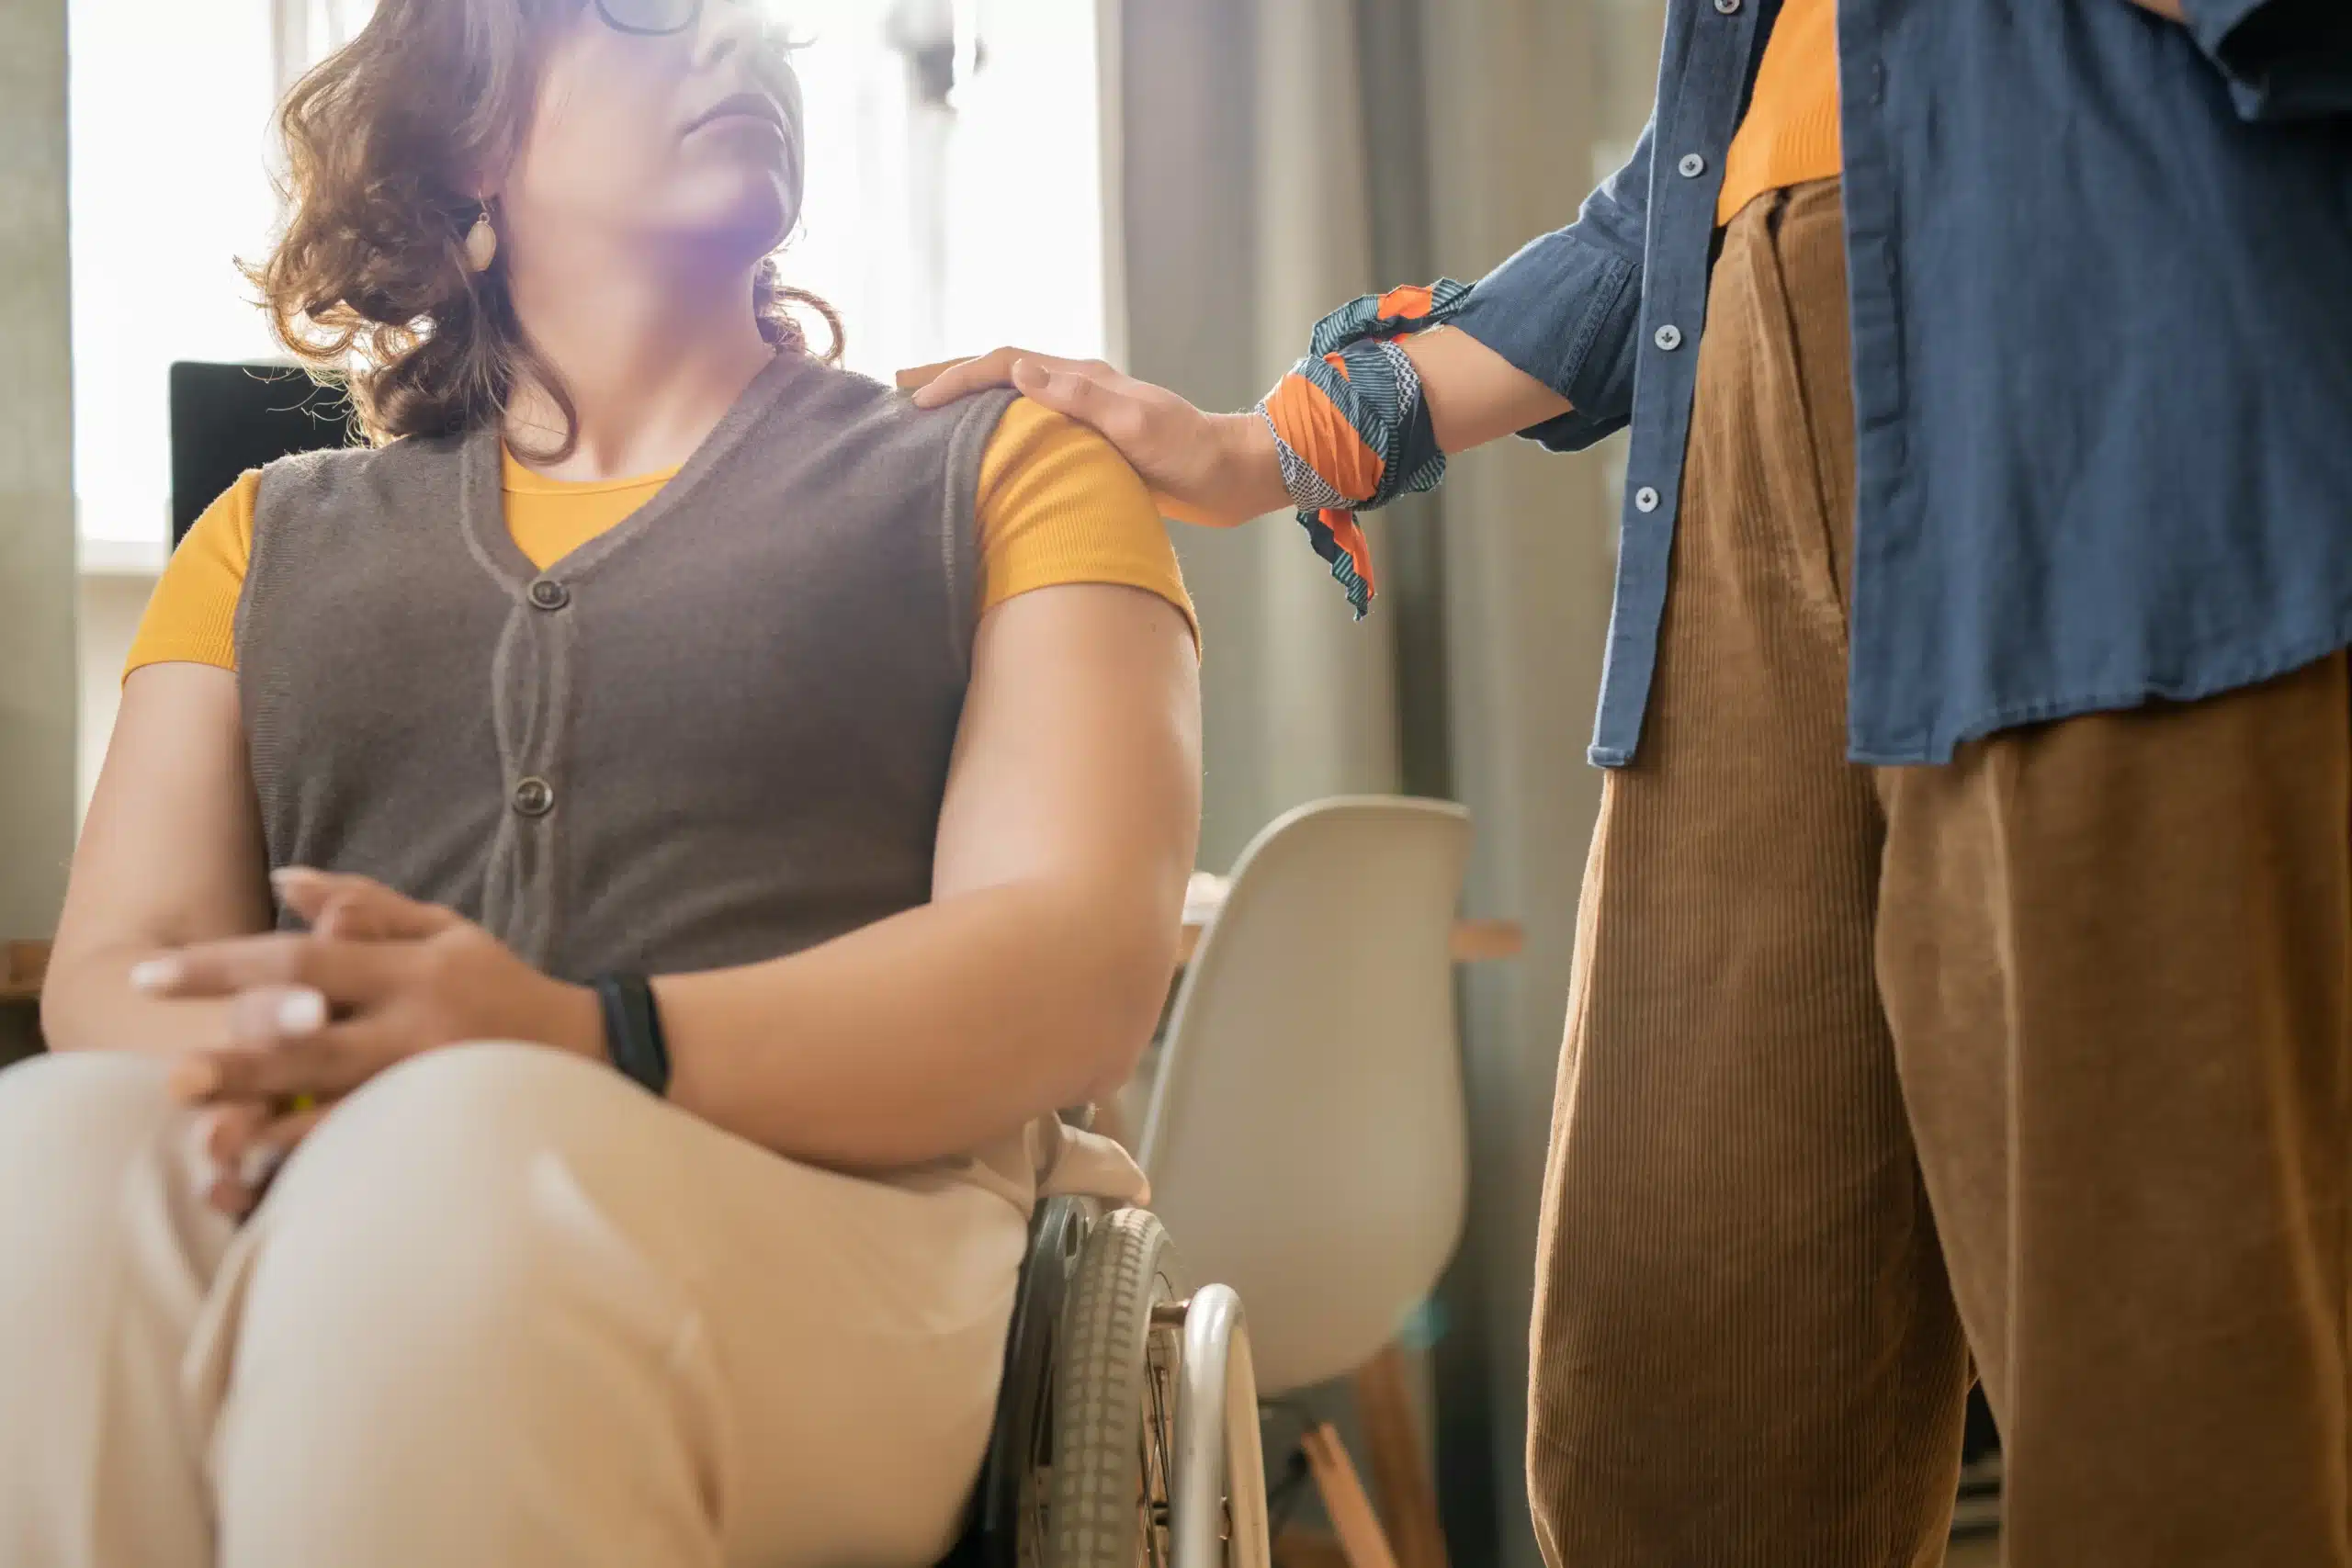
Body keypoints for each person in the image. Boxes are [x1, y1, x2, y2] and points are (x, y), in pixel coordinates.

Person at [913, 2, 2352, 1563]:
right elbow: (1674, 202)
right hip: (1743, 449)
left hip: (2126, 427)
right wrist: (1272, 445)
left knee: (2173, 1389)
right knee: (1679, 1415)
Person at [0, 2, 1201, 1564]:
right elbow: (119, 976)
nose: (740, 48)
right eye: (651, 16)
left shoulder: (1006, 469)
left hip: (854, 1253)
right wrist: (353, 1086)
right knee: (53, 1156)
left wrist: (576, 1040)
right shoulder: (261, 537)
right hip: (354, 1209)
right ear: (474, 144)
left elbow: (1075, 969)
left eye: (751, 25)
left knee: (456, 1168)